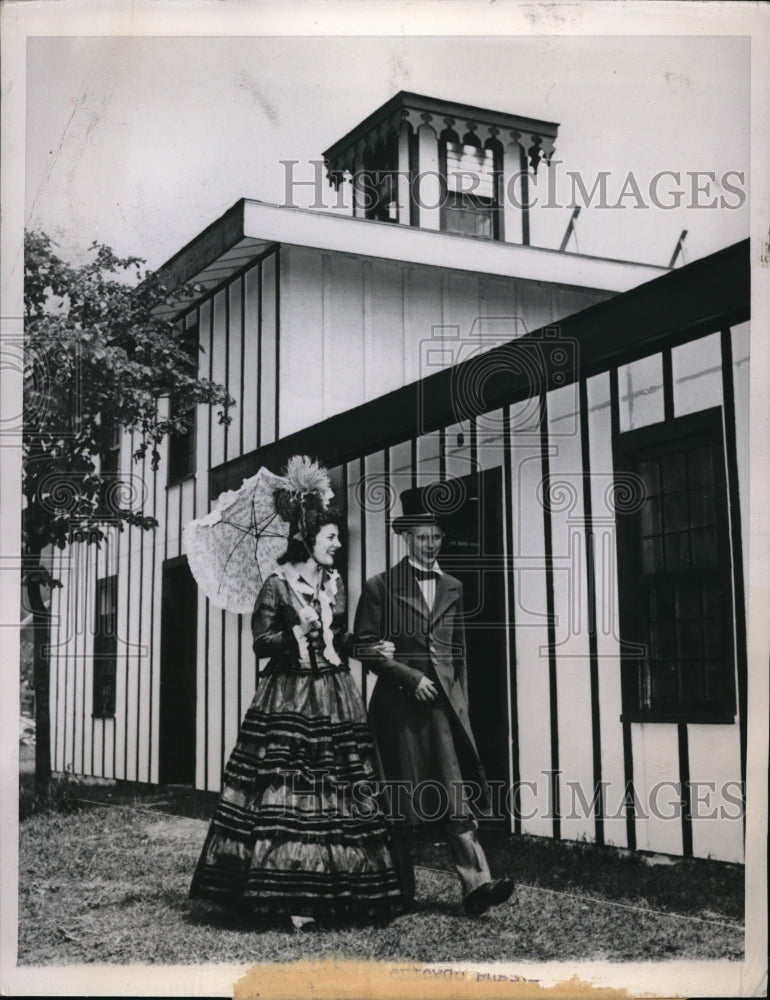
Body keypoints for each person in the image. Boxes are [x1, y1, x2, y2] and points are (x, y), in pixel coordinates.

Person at [190, 470, 404, 930]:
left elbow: (340, 639)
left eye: (337, 539)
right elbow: (261, 644)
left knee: (337, 791)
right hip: (288, 696)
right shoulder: (276, 585)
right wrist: (295, 630)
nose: (337, 546)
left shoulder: (332, 584)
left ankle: (334, 893)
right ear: (307, 539)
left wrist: (370, 649)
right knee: (285, 790)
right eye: (331, 537)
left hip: (335, 692)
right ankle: (285, 895)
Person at [353, 487, 514, 917]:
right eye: (422, 536)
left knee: (453, 795)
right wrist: (408, 678)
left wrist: (456, 702)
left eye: (436, 536)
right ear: (407, 538)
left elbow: (458, 653)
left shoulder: (454, 587)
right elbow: (364, 647)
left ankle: (477, 886)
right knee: (402, 799)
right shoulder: (380, 586)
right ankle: (399, 891)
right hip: (397, 711)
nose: (430, 544)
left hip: (442, 710)